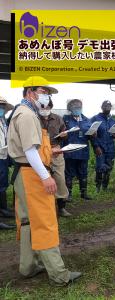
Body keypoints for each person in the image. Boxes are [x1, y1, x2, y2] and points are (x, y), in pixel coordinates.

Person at [7, 76, 81, 285]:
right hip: (32, 176)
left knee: (28, 221)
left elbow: (31, 149)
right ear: (30, 92)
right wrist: (46, 176)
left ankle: (28, 267)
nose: (46, 96)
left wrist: (51, 151)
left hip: (24, 174)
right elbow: (30, 151)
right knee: (46, 222)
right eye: (43, 91)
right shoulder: (28, 115)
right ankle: (59, 275)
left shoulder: (21, 112)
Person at [39, 100, 72, 217]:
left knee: (60, 179)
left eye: (47, 106)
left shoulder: (58, 118)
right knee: (42, 179)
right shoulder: (34, 118)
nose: (45, 108)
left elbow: (65, 132)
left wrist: (64, 134)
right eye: (42, 106)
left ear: (51, 107)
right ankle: (45, 208)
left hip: (56, 150)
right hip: (40, 151)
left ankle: (62, 207)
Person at [63, 99, 93, 201]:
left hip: (83, 151)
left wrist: (93, 134)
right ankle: (68, 194)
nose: (78, 109)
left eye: (79, 107)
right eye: (75, 107)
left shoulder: (87, 120)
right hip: (70, 151)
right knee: (69, 173)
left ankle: (83, 193)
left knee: (83, 172)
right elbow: (61, 133)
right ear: (70, 109)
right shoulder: (65, 119)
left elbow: (90, 136)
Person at [91, 100, 115, 192]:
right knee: (100, 167)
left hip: (110, 148)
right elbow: (91, 134)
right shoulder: (95, 118)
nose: (107, 108)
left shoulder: (112, 120)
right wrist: (95, 146)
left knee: (109, 167)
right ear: (102, 107)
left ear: (111, 108)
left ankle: (105, 187)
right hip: (100, 147)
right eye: (105, 106)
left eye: (109, 106)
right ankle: (97, 187)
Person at [0, 97, 15, 229]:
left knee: (2, 184)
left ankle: (3, 209)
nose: (2, 109)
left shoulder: (3, 121)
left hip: (3, 157)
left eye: (3, 107)